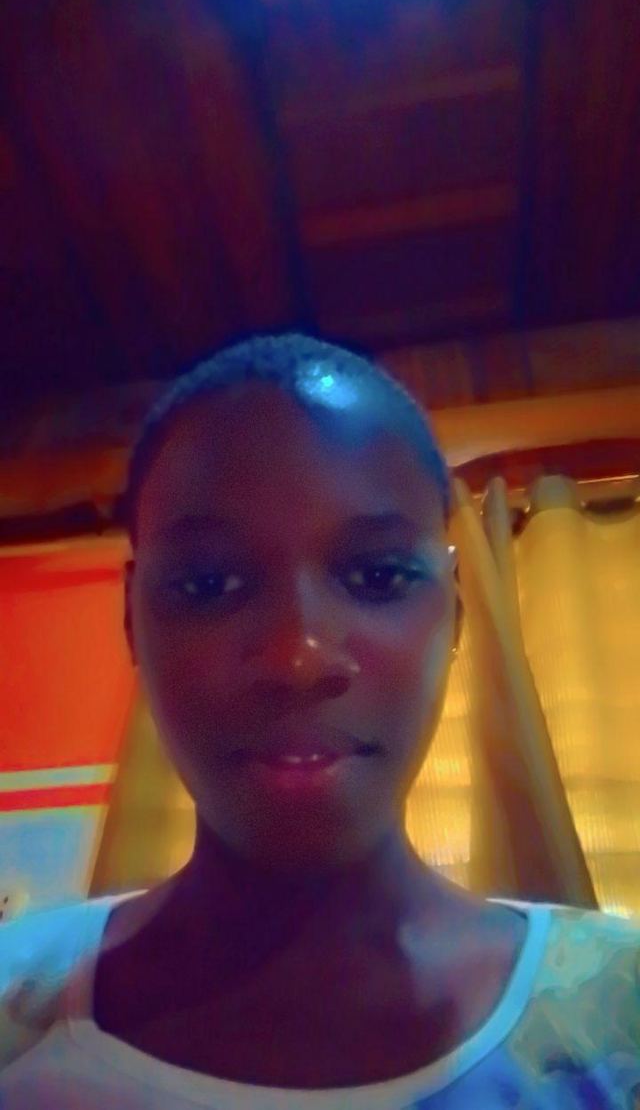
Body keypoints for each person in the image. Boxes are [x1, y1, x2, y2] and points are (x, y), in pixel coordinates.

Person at [0, 333, 639, 1108]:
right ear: (133, 622)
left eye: (377, 575)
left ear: (454, 609)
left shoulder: (618, 1014)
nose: (297, 659)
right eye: (209, 584)